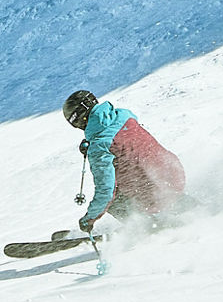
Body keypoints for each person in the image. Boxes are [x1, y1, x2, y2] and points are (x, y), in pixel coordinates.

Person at [64, 90, 186, 233]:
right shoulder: (124, 115)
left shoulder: (100, 146)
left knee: (113, 202)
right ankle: (186, 207)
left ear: (79, 119)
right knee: (149, 179)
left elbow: (106, 192)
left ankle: (149, 229)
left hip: (153, 190)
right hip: (174, 173)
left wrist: (89, 219)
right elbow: (123, 140)